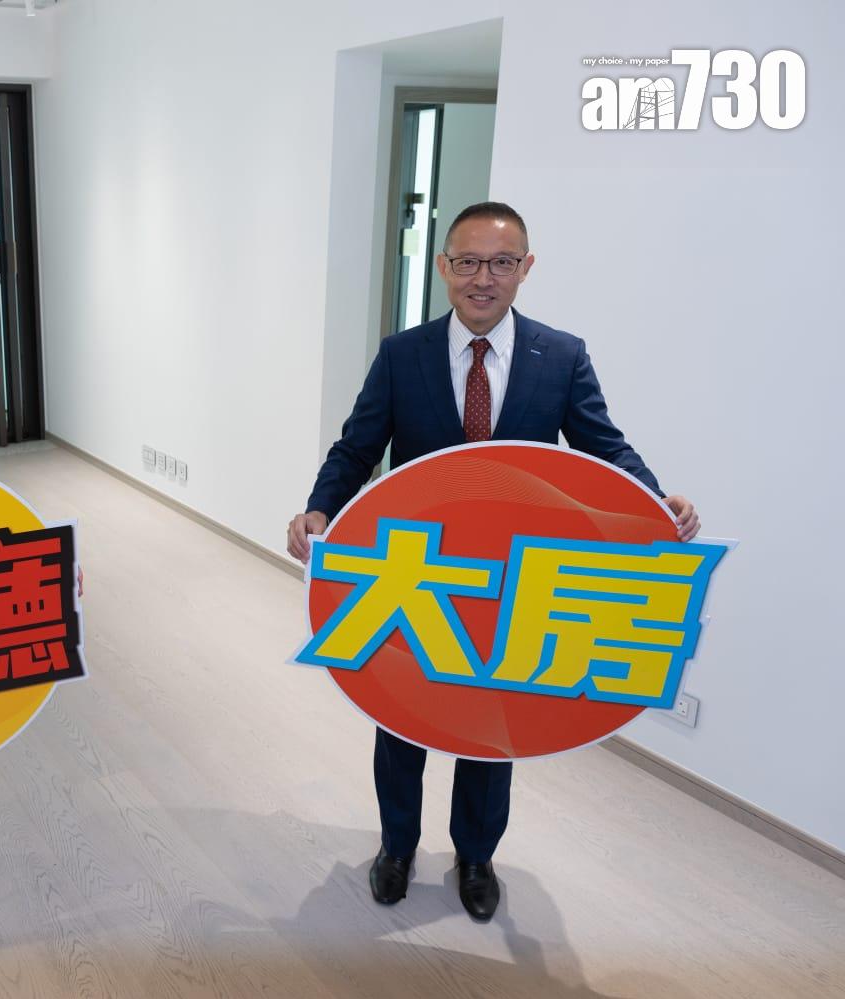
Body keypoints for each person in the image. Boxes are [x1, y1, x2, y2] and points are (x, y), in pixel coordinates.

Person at [285, 202, 700, 923]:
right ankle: (396, 846)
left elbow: (603, 447)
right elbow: (357, 447)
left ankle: (475, 857)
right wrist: (320, 508)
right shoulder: (402, 354)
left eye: (502, 263)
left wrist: (655, 504)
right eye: (469, 261)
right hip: (420, 575)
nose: (484, 278)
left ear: (525, 268)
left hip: (513, 580)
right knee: (403, 716)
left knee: (492, 721)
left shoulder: (561, 356)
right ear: (443, 266)